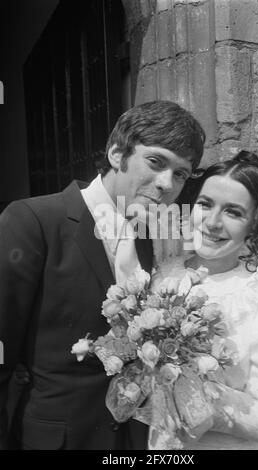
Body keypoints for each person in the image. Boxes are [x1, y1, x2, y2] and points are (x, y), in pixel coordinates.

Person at [0, 100, 205, 450]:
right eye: (156, 162)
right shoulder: (33, 221)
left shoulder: (146, 239)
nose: (166, 184)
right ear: (115, 153)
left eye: (181, 173)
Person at [150, 150, 258, 450]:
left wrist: (205, 402)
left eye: (233, 212)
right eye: (205, 205)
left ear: (254, 224)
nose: (213, 222)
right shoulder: (161, 276)